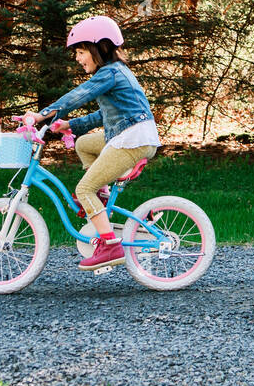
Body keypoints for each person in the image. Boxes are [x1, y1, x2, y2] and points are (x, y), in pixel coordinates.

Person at [20, 15, 160, 271]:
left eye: (81, 51)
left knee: (83, 190)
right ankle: (102, 197)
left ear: (100, 48)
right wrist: (70, 125)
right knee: (83, 144)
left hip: (132, 140)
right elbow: (104, 116)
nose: (77, 58)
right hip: (128, 134)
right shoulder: (116, 74)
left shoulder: (110, 73)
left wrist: (40, 115)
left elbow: (78, 95)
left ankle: (109, 245)